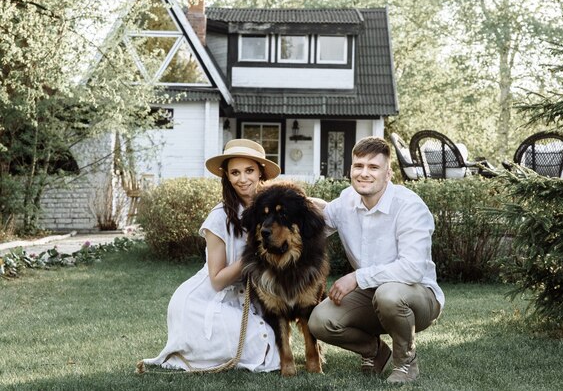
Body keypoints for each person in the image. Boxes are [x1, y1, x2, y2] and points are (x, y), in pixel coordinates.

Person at [308, 136, 444, 384]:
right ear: (350, 170)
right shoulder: (345, 201)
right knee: (320, 321)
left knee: (389, 295)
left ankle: (405, 364)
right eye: (358, 166)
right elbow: (315, 224)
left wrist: (356, 277)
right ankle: (375, 352)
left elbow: (412, 269)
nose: (364, 173)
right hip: (370, 293)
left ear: (388, 173)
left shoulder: (409, 207)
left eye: (373, 167)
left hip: (418, 297)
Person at [141, 139, 282, 372]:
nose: (243, 179)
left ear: (260, 173)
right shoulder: (219, 217)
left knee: (274, 349)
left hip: (249, 297)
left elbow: (312, 210)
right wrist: (253, 252)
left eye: (249, 171)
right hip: (207, 300)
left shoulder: (271, 209)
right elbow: (217, 280)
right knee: (264, 350)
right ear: (227, 176)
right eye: (235, 173)